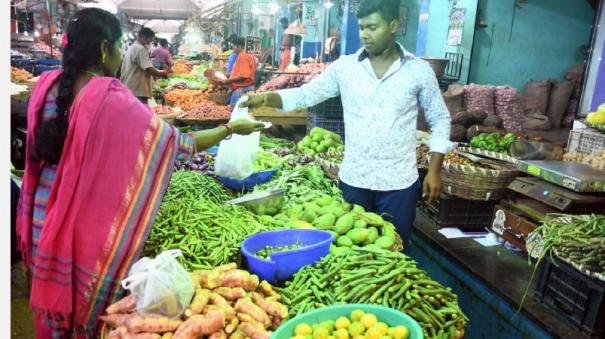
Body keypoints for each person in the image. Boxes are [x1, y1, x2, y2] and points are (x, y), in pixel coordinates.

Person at [16, 8, 264, 338]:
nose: (121, 55)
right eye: (119, 47)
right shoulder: (109, 98)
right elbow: (177, 144)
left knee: (51, 311)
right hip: (79, 232)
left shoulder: (45, 86)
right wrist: (230, 128)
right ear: (105, 49)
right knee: (80, 314)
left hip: (39, 223)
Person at [242, 0, 453, 248]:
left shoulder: (419, 71)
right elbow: (306, 94)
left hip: (399, 184)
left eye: (372, 27)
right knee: (349, 251)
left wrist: (435, 169)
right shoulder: (345, 68)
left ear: (394, 25)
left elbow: (440, 118)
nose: (364, 34)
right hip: (355, 180)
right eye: (362, 27)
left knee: (395, 251)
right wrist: (264, 98)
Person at [120, 27, 169, 104]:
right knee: (140, 114)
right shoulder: (140, 49)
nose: (151, 42)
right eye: (151, 40)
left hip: (131, 88)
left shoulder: (132, 47)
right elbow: (149, 69)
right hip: (137, 90)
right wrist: (165, 72)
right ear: (146, 38)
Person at [218, 37, 257, 106]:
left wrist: (228, 81)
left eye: (233, 46)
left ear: (238, 46)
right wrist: (228, 75)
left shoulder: (243, 56)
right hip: (247, 87)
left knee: (235, 111)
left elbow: (243, 76)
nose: (233, 48)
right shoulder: (249, 54)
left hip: (241, 89)